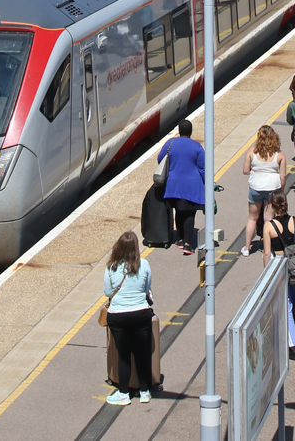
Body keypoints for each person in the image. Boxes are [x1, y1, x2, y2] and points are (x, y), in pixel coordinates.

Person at [103, 232, 154, 405]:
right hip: (140, 313)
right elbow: (147, 289)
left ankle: (124, 393)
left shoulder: (111, 267)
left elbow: (108, 292)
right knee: (142, 353)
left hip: (118, 316)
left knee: (123, 354)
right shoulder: (145, 264)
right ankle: (145, 391)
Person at [263, 190, 295, 362]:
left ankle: (292, 345)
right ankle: (292, 332)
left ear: (272, 206)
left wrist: (267, 275)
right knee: (293, 300)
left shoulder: (269, 226)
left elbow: (267, 254)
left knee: (286, 305)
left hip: (280, 266)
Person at [157, 119, 204, 255]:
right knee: (189, 213)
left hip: (174, 185)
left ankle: (179, 239)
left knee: (178, 210)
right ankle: (188, 245)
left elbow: (160, 159)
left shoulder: (170, 143)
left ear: (179, 131)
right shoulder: (197, 147)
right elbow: (202, 167)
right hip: (191, 186)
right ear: (191, 131)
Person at [241, 126, 286, 256]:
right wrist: (281, 191)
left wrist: (257, 170)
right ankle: (268, 249)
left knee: (252, 218)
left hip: (255, 188)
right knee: (269, 219)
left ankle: (247, 248)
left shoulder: (251, 152)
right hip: (272, 188)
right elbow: (282, 176)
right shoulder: (279, 154)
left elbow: (245, 170)